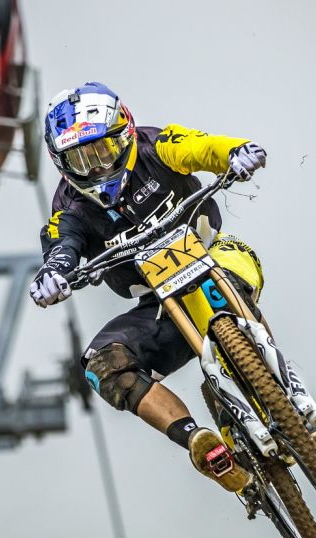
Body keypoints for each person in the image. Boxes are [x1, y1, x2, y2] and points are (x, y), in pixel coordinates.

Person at [28, 81, 272, 494]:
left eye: (103, 151)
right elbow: (61, 247)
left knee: (227, 277)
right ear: (61, 163)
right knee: (100, 365)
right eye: (81, 160)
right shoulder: (68, 208)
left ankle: (282, 386)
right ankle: (198, 440)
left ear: (125, 133)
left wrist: (236, 151)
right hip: (159, 305)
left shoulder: (159, 145)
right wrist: (54, 274)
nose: (98, 168)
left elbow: (204, 147)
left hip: (218, 257)